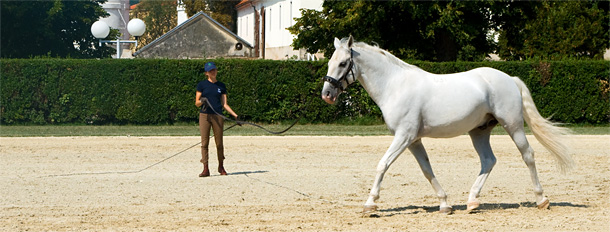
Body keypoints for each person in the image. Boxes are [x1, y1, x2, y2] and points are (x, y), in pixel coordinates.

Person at [195, 62, 239, 177]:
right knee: (205, 143)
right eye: (210, 71)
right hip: (205, 116)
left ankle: (221, 166)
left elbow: (225, 104)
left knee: (219, 143)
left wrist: (235, 115)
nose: (213, 72)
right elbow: (196, 103)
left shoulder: (221, 86)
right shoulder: (202, 85)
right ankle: (205, 168)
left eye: (214, 70)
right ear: (206, 73)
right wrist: (202, 101)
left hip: (218, 116)